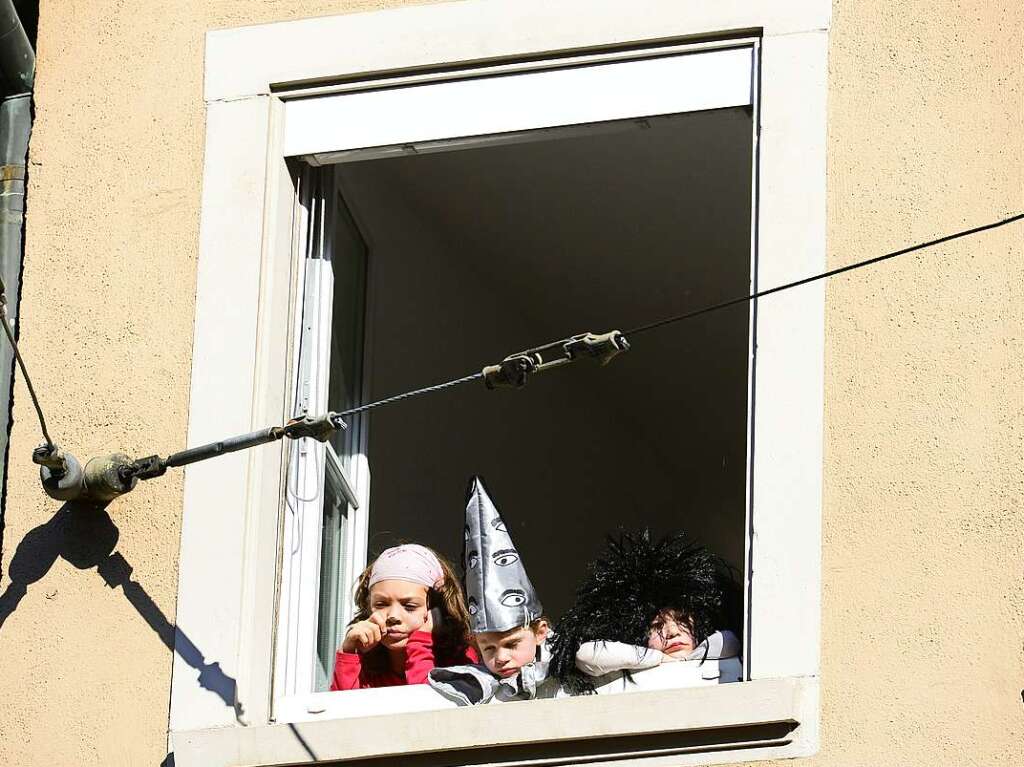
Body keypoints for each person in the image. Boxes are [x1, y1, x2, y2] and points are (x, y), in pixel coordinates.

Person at [549, 529, 741, 695]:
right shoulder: (631, 664)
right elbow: (586, 655)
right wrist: (662, 659)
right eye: (657, 625)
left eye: (682, 619)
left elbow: (727, 641)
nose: (672, 632)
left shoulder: (727, 650)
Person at [427, 477, 557, 705]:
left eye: (511, 644)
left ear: (540, 633)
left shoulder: (565, 663)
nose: (501, 658)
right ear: (474, 644)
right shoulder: (478, 682)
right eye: (489, 648)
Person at [331, 543, 477, 690]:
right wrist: (349, 653)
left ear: (436, 609)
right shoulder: (363, 664)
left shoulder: (462, 661)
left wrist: (419, 641)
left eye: (409, 607)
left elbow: (430, 706)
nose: (393, 616)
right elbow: (340, 709)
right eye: (381, 604)